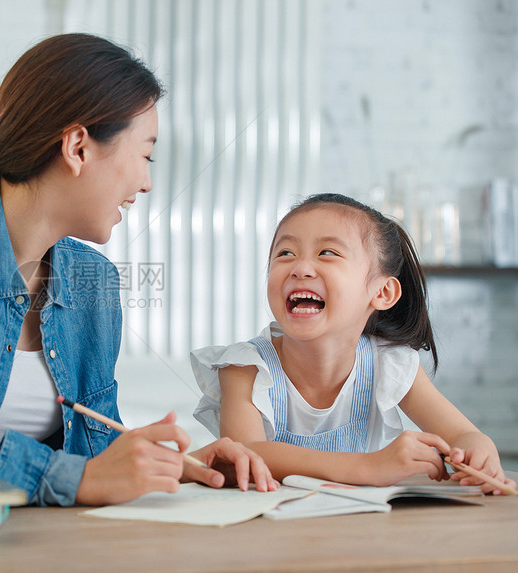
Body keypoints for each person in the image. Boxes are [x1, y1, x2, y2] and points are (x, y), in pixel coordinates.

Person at [0, 33, 276, 507]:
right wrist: (73, 478)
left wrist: (178, 467)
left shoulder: (94, 283)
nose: (145, 182)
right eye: (145, 155)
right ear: (78, 147)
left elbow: (92, 461)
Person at [191, 193, 516, 494]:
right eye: (285, 253)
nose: (300, 269)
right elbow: (244, 454)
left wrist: (479, 450)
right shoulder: (245, 367)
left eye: (327, 253)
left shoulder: (389, 363)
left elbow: (462, 435)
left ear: (382, 293)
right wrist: (369, 466)